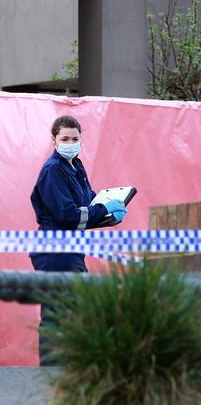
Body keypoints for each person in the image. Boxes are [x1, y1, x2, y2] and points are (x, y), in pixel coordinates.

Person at [30, 115, 128, 365]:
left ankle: (67, 373)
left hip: (70, 249)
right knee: (57, 315)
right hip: (55, 250)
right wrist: (103, 211)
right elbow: (67, 215)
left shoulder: (76, 167)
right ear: (54, 140)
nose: (70, 143)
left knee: (71, 312)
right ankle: (51, 376)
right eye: (65, 139)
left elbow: (86, 208)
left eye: (75, 138)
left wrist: (107, 214)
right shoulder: (54, 170)